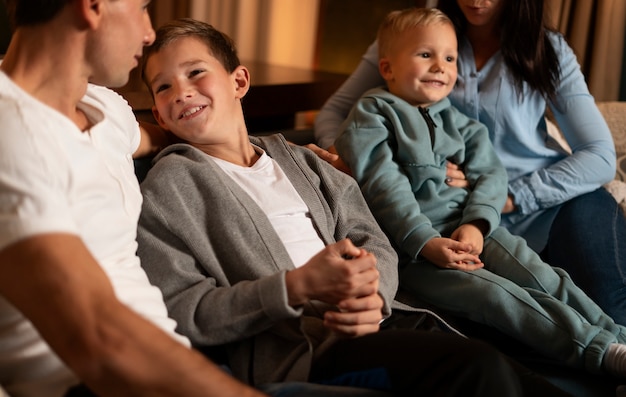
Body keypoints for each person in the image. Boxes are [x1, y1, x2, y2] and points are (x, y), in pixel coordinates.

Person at [135, 17, 575, 397]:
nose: (182, 92)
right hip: (311, 346)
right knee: (480, 369)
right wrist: (294, 287)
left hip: (389, 316)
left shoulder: (301, 159)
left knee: (531, 384)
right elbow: (186, 310)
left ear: (239, 81)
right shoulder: (168, 187)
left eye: (196, 72)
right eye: (164, 86)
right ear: (157, 113)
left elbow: (371, 238)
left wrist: (374, 295)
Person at [334, 6, 626, 383]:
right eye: (427, 55)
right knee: (499, 295)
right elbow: (383, 184)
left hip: (486, 221)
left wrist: (478, 220)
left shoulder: (461, 121)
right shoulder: (374, 112)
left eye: (449, 58)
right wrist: (342, 158)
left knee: (545, 278)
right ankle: (598, 352)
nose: (440, 66)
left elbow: (492, 171)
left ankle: (616, 340)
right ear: (387, 68)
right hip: (418, 247)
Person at [0, 0, 270, 396]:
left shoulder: (105, 107)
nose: (148, 33)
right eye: (142, 7)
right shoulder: (9, 128)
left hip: (173, 362)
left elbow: (164, 135)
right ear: (91, 6)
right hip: (88, 382)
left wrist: (274, 157)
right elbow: (97, 339)